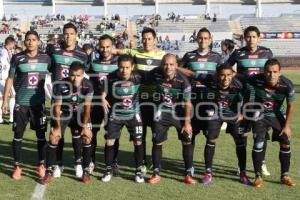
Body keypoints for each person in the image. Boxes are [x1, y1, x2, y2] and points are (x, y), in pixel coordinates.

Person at [178, 63, 251, 185]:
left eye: (228, 75)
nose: (225, 78)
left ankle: (243, 173)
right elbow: (191, 74)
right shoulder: (210, 79)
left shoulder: (240, 83)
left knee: (240, 141)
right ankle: (208, 173)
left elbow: (250, 96)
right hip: (216, 114)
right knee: (211, 140)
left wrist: (243, 113)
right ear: (217, 75)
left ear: (233, 74)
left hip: (233, 114)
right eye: (222, 75)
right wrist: (175, 67)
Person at [113, 27, 165, 173]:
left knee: (156, 133)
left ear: (155, 39)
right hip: (138, 101)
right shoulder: (134, 53)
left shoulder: (162, 56)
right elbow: (118, 52)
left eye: (149, 38)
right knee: (140, 134)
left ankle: (156, 164)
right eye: (144, 38)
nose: (146, 41)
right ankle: (141, 162)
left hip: (155, 101)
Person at [2, 31, 51, 180]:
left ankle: (41, 164)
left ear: (38, 42)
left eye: (33, 39)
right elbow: (10, 79)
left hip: (38, 104)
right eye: (28, 40)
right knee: (18, 135)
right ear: (24, 42)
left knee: (41, 136)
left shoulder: (46, 58)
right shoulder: (18, 58)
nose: (30, 42)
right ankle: (17, 166)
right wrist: (4, 100)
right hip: (21, 104)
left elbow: (55, 76)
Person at [226, 26, 273, 176]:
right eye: (248, 37)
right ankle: (242, 165)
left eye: (254, 36)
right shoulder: (239, 53)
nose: (251, 39)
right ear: (244, 38)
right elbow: (227, 67)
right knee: (243, 132)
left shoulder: (266, 52)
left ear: (259, 37)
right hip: (243, 98)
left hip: (262, 98)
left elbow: (272, 69)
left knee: (262, 132)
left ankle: (262, 162)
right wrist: (237, 78)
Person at [46, 22, 88, 178]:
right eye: (66, 33)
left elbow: (85, 75)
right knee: (58, 133)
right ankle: (58, 164)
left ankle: (78, 164)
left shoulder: (82, 54)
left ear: (76, 35)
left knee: (76, 132)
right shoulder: (53, 50)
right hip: (58, 98)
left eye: (71, 33)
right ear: (63, 34)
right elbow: (48, 67)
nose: (68, 36)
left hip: (76, 100)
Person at [42, 61, 94, 185]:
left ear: (83, 75)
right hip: (63, 113)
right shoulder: (60, 84)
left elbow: (87, 108)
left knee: (87, 137)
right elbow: (56, 108)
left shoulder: (88, 85)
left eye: (78, 76)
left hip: (80, 114)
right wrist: (57, 127)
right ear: (68, 73)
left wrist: (86, 126)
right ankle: (49, 171)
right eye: (72, 75)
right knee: (54, 137)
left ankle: (85, 170)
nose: (75, 78)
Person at [180, 27, 222, 177]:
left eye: (206, 38)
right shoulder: (189, 56)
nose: (203, 40)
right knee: (190, 135)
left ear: (210, 40)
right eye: (200, 38)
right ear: (196, 39)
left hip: (210, 102)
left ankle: (208, 170)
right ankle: (189, 168)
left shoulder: (217, 57)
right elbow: (178, 71)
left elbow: (223, 77)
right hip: (192, 101)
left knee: (211, 137)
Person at [148, 54, 195, 185]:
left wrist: (187, 123)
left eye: (171, 64)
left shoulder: (183, 81)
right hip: (161, 113)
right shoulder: (156, 74)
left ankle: (188, 174)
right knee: (157, 142)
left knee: (187, 139)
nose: (168, 67)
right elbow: (142, 78)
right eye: (165, 64)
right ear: (161, 65)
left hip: (178, 114)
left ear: (176, 65)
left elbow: (187, 103)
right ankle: (156, 173)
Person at [248, 59, 296, 187]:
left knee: (285, 142)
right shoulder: (254, 79)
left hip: (277, 115)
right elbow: (239, 82)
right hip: (260, 115)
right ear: (264, 72)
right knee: (258, 142)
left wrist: (287, 127)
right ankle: (258, 176)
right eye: (268, 72)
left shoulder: (287, 85)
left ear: (280, 72)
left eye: (275, 72)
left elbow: (291, 106)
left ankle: (284, 175)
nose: (271, 75)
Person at [100, 55, 146, 183]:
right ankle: (108, 170)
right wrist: (103, 97)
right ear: (117, 66)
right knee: (109, 141)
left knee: (138, 141)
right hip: (116, 114)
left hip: (134, 114)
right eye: (121, 67)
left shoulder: (139, 76)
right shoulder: (110, 78)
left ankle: (138, 171)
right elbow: (103, 90)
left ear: (132, 67)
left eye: (127, 67)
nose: (124, 70)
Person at [87, 34, 119, 175]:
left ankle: (113, 163)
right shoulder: (92, 62)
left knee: (112, 134)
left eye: (108, 47)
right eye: (102, 47)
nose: (105, 49)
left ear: (112, 47)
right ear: (98, 47)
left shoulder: (119, 63)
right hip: (95, 104)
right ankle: (91, 161)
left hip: (112, 104)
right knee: (92, 132)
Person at [0, 36, 16, 124]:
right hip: (4, 77)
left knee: (1, 98)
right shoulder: (4, 52)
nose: (14, 46)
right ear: (11, 43)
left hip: (2, 77)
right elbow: (2, 63)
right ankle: (11, 118)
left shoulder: (2, 49)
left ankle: (0, 119)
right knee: (13, 95)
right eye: (14, 44)